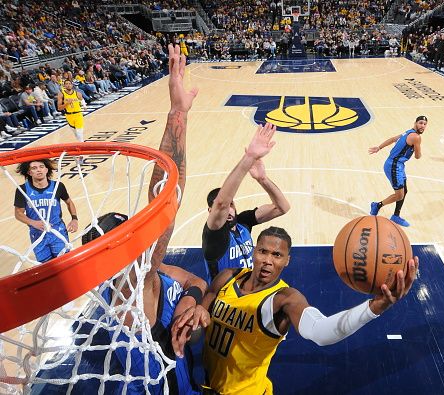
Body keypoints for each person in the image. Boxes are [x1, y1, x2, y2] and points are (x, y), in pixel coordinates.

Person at [77, 44, 208, 394]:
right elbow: (166, 198)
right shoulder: (134, 287)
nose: (141, 238)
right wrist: (176, 114)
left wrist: (190, 301)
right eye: (132, 237)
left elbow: (195, 279)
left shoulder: (151, 274)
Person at [180, 226, 418, 395]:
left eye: (277, 255)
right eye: (263, 251)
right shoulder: (227, 277)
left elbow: (321, 331)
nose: (268, 261)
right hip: (204, 386)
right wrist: (197, 314)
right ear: (253, 252)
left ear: (287, 261)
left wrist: (374, 307)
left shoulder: (285, 299)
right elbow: (202, 314)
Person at [202, 126, 290, 281]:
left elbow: (282, 207)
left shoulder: (243, 222)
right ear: (211, 211)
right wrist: (249, 157)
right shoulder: (213, 235)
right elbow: (221, 204)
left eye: (232, 205)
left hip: (250, 290)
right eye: (223, 207)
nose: (228, 210)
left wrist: (263, 179)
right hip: (224, 299)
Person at [13, 159, 78, 263]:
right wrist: (33, 222)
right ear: (29, 173)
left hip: (57, 231)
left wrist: (74, 219)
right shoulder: (23, 190)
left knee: (64, 263)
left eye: (41, 167)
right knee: (46, 266)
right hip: (37, 234)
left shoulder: (58, 186)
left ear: (46, 170)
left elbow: (69, 202)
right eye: (34, 168)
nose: (39, 170)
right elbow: (18, 213)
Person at [368, 115, 427, 227]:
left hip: (397, 165)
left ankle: (396, 216)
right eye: (420, 123)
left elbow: (392, 139)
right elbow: (417, 156)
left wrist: (379, 147)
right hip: (394, 166)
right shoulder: (416, 137)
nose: (422, 126)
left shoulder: (407, 132)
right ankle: (377, 205)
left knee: (404, 191)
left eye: (424, 124)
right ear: (415, 123)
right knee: (399, 195)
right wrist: (417, 148)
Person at [57, 79, 86, 143]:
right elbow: (59, 108)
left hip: (78, 114)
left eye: (69, 84)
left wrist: (84, 106)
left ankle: (82, 145)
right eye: (66, 84)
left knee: (79, 133)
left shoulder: (77, 93)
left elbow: (82, 100)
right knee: (76, 134)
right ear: (64, 85)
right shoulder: (61, 94)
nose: (68, 85)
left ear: (72, 85)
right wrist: (67, 103)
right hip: (69, 115)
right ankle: (81, 144)